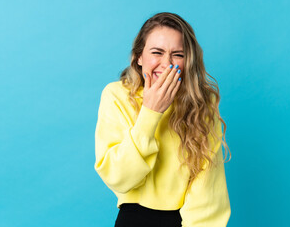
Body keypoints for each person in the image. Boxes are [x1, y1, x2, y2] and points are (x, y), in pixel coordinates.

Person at [94, 12, 232, 227]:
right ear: (139, 57)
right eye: (157, 52)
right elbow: (119, 177)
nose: (167, 64)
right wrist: (151, 112)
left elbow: (208, 197)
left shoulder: (201, 107)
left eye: (178, 54)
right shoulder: (116, 95)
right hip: (133, 218)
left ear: (189, 61)